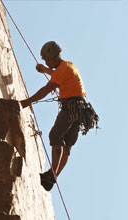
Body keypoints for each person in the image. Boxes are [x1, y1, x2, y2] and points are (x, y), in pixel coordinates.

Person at [20, 41, 99, 191]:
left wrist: (27, 102)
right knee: (67, 144)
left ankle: (51, 174)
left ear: (54, 57)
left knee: (55, 136)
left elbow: (46, 89)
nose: (46, 62)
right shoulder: (68, 65)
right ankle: (54, 175)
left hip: (71, 107)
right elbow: (58, 75)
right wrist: (45, 70)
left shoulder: (62, 70)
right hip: (80, 110)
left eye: (47, 60)